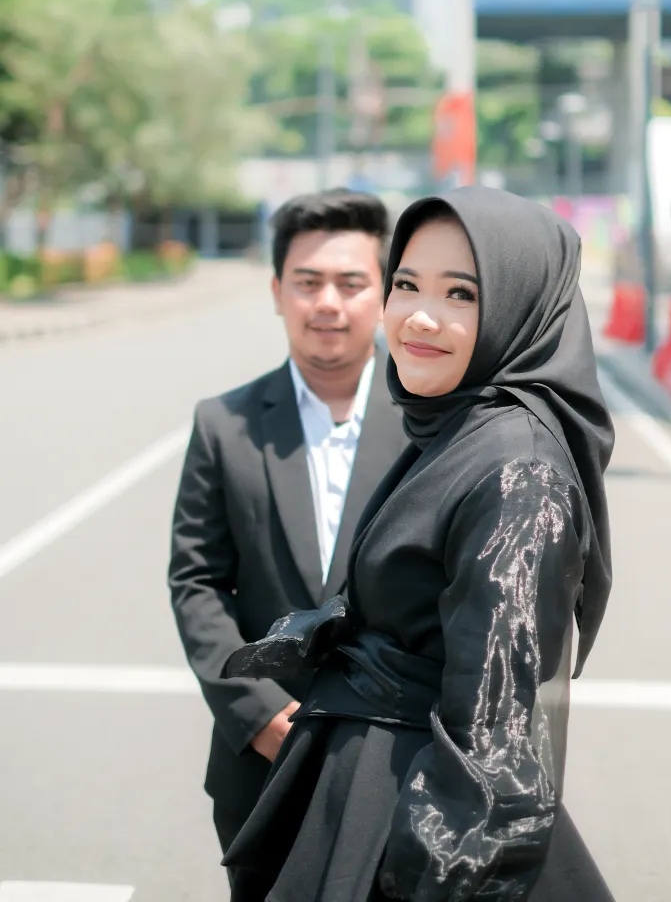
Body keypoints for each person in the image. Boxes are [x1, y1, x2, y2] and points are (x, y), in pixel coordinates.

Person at [221, 186, 617, 901]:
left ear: (521, 307)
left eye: (461, 293)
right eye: (406, 284)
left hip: (418, 815)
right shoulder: (458, 428)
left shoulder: (516, 471)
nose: (419, 317)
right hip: (373, 781)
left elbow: (491, 740)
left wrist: (434, 873)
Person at [168, 189, 409, 878]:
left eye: (350, 283)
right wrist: (258, 713)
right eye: (307, 282)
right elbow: (196, 582)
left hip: (397, 758)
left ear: (383, 295)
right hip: (262, 764)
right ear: (277, 292)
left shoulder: (433, 425)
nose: (327, 303)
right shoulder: (225, 425)